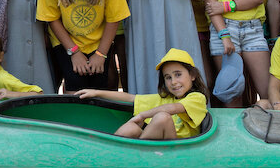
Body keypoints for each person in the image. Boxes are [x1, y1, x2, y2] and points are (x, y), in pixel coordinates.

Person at [77, 49, 208, 140]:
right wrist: (96, 92)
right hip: (156, 146)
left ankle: (139, 153)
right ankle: (108, 154)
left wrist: (142, 115)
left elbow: (173, 108)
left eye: (178, 75)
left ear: (192, 75)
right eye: (168, 77)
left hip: (176, 151)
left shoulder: (197, 98)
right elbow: (131, 98)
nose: (173, 82)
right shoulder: (165, 98)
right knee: (131, 128)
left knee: (162, 117)